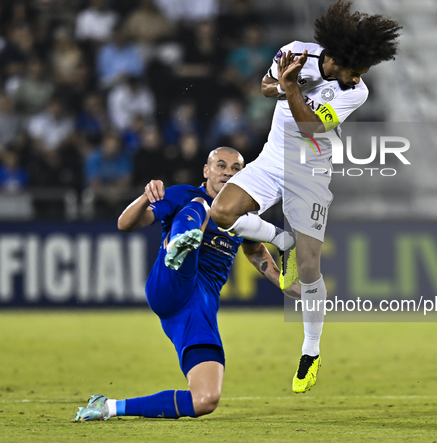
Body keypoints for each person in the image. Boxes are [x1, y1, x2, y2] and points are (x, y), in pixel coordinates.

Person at [210, 1, 401, 393]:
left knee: (310, 269)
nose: (360, 78)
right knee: (221, 213)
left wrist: (293, 86)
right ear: (338, 57)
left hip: (309, 171)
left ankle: (310, 352)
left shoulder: (356, 93)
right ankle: (282, 240)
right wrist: (281, 81)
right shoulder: (296, 51)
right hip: (270, 160)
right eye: (356, 69)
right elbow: (265, 87)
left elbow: (311, 127)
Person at [73, 147, 299, 421]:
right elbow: (125, 224)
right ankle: (180, 245)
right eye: (221, 165)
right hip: (172, 282)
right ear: (206, 170)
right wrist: (145, 197)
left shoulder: (244, 216)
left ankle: (107, 407)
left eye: (235, 168)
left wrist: (290, 287)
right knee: (202, 207)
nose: (228, 172)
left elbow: (255, 253)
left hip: (198, 307)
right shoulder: (183, 194)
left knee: (205, 400)